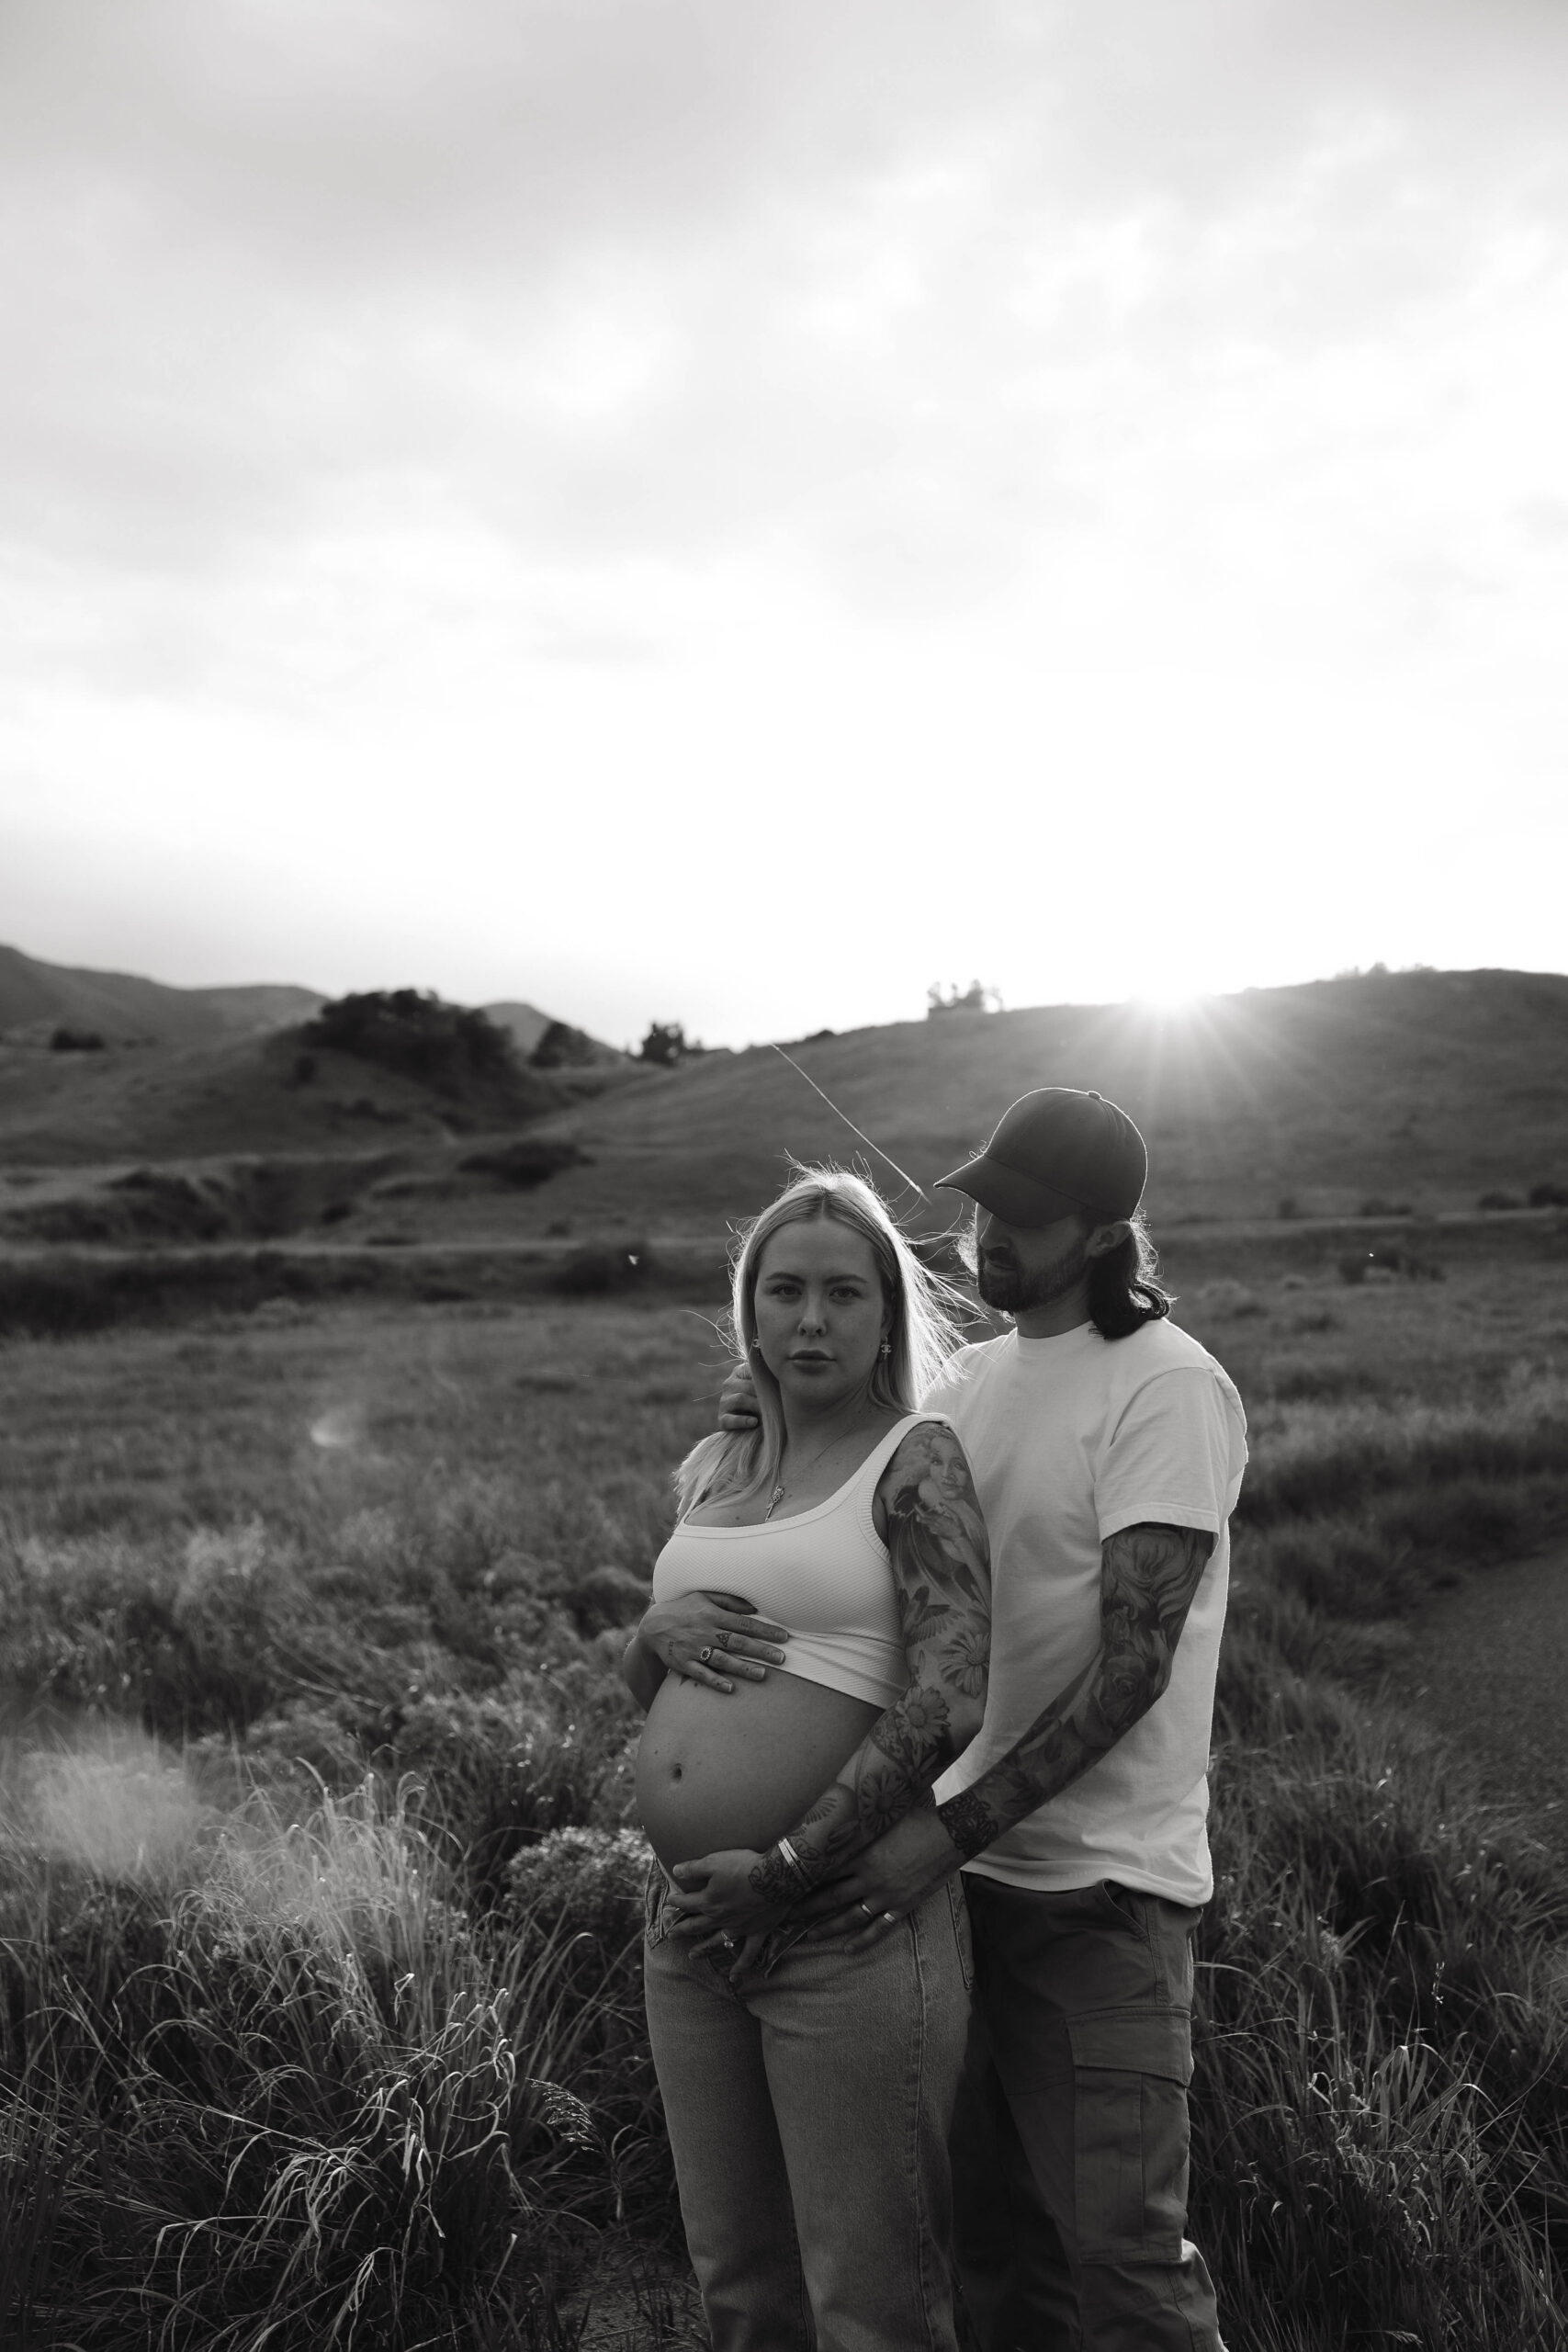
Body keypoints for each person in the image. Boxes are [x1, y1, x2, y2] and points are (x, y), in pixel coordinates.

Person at [718, 1090, 1247, 2352]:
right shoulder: (967, 1380)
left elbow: (1131, 1672)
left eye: (1024, 1215)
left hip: (1100, 1901)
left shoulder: (1167, 1388)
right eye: (979, 1204)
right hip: (957, 1899)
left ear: (1104, 1229)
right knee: (999, 2263)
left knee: (1124, 2269)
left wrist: (935, 1839)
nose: (987, 1234)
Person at [623, 1167, 994, 2352]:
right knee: (739, 2279)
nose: (812, 1320)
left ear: (889, 1312)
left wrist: (789, 1865)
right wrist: (649, 1633)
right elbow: (660, 1689)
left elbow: (952, 1693)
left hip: (839, 1927)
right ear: (751, 1311)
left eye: (844, 1292)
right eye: (785, 1291)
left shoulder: (914, 1459)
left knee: (872, 2299)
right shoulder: (713, 1472)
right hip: (687, 1928)